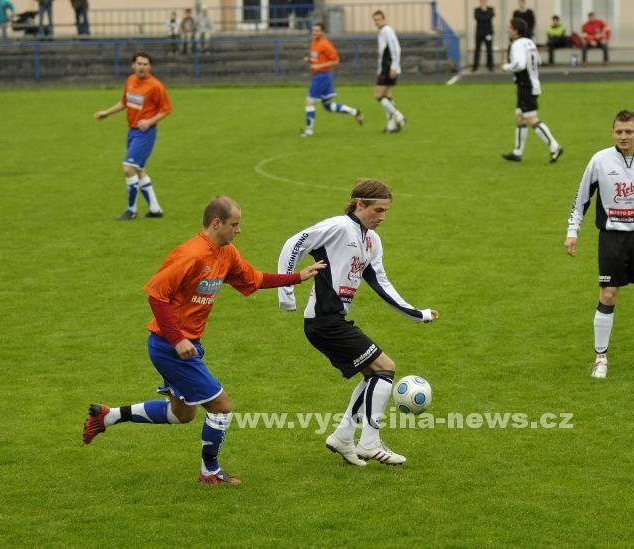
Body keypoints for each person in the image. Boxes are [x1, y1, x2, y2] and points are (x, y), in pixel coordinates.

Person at [83, 196, 326, 485]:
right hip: (170, 347)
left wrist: (297, 277)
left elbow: (253, 279)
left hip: (186, 345)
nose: (239, 230)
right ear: (216, 223)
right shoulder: (190, 255)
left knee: (181, 414)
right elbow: (156, 297)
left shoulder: (227, 253)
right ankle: (210, 471)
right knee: (221, 406)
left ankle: (108, 416)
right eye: (234, 224)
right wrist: (177, 340)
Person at [277, 179, 439, 466]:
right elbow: (295, 243)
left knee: (373, 375)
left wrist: (417, 313)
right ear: (360, 204)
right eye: (378, 210)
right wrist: (286, 292)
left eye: (386, 211)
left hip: (334, 320)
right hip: (323, 322)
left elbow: (380, 282)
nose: (383, 217)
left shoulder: (371, 241)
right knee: (385, 368)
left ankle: (343, 436)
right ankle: (369, 443)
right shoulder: (339, 227)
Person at [564, 110, 634, 380]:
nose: (623, 136)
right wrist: (572, 231)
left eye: (628, 131)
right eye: (619, 132)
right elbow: (581, 199)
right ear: (612, 133)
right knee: (608, 295)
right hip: (612, 238)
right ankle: (600, 358)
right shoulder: (599, 160)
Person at [94, 52, 172, 221]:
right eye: (139, 64)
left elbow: (166, 109)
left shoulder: (156, 86)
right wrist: (106, 113)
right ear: (133, 65)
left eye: (145, 64)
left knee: (128, 168)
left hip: (145, 133)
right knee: (138, 170)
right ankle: (155, 209)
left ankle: (131, 210)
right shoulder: (130, 80)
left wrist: (149, 122)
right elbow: (124, 102)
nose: (142, 67)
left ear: (150, 67)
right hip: (132, 131)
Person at [501, 18, 563, 164]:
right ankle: (518, 152)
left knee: (531, 118)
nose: (508, 30)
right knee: (519, 117)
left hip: (525, 85)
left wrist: (506, 66)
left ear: (516, 30)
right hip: (532, 83)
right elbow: (538, 61)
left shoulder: (517, 44)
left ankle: (555, 146)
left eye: (510, 27)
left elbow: (520, 65)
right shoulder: (529, 42)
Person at [301, 23, 364, 137]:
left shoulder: (325, 44)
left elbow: (336, 60)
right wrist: (310, 60)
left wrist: (319, 66)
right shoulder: (314, 42)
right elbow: (318, 58)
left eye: (317, 31)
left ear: (323, 32)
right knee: (328, 106)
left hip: (322, 76)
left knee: (309, 102)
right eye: (313, 30)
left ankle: (309, 130)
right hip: (321, 75)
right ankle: (354, 112)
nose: (314, 33)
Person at [372, 10, 406, 133]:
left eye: (378, 19)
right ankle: (390, 126)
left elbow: (396, 48)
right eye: (375, 20)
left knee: (378, 95)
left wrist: (394, 66)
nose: (376, 22)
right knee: (387, 96)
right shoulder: (382, 32)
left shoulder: (387, 30)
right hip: (385, 67)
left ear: (384, 19)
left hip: (388, 67)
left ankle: (399, 116)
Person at [472, 0, 495, 72]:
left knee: (489, 49)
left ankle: (490, 65)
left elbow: (491, 16)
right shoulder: (477, 10)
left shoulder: (490, 9)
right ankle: (475, 66)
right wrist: (486, 16)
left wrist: (483, 16)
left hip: (488, 33)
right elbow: (477, 18)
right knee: (477, 50)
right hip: (479, 33)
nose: (483, 2)